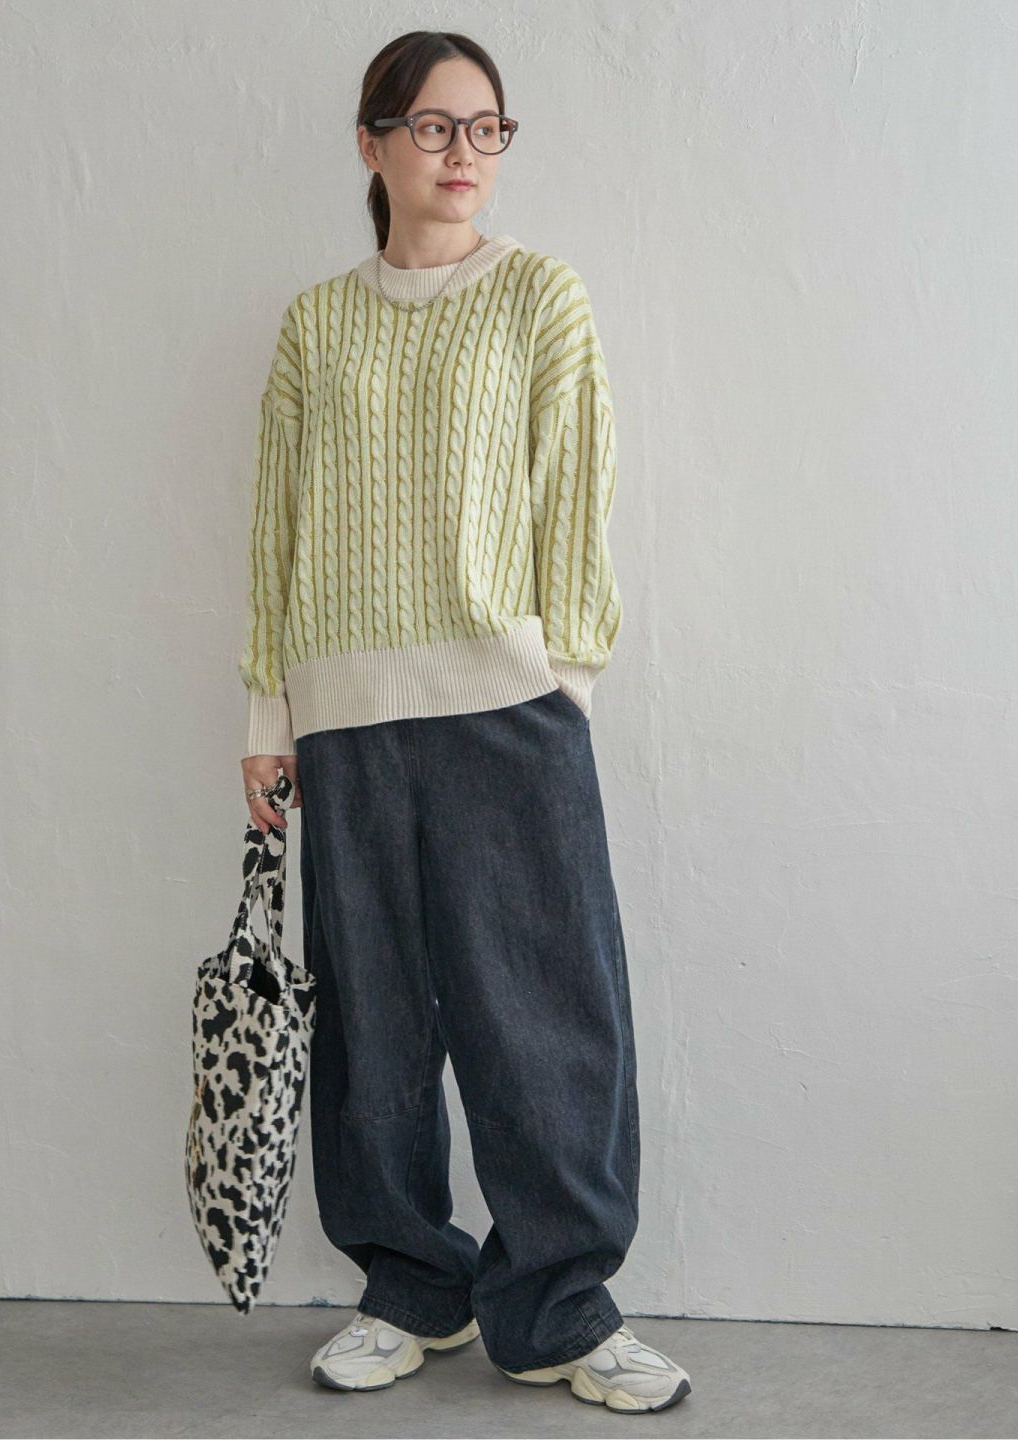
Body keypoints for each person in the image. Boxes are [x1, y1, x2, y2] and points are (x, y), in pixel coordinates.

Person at [236, 29, 691, 1417]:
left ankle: (561, 1307)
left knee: (544, 1011)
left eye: (486, 129)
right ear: (372, 144)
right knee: (373, 1016)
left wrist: (565, 676)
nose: (463, 155)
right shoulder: (316, 324)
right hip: (345, 717)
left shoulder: (541, 296)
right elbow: (277, 525)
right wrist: (267, 713)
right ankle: (409, 1289)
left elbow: (574, 493)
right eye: (433, 127)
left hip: (507, 706)